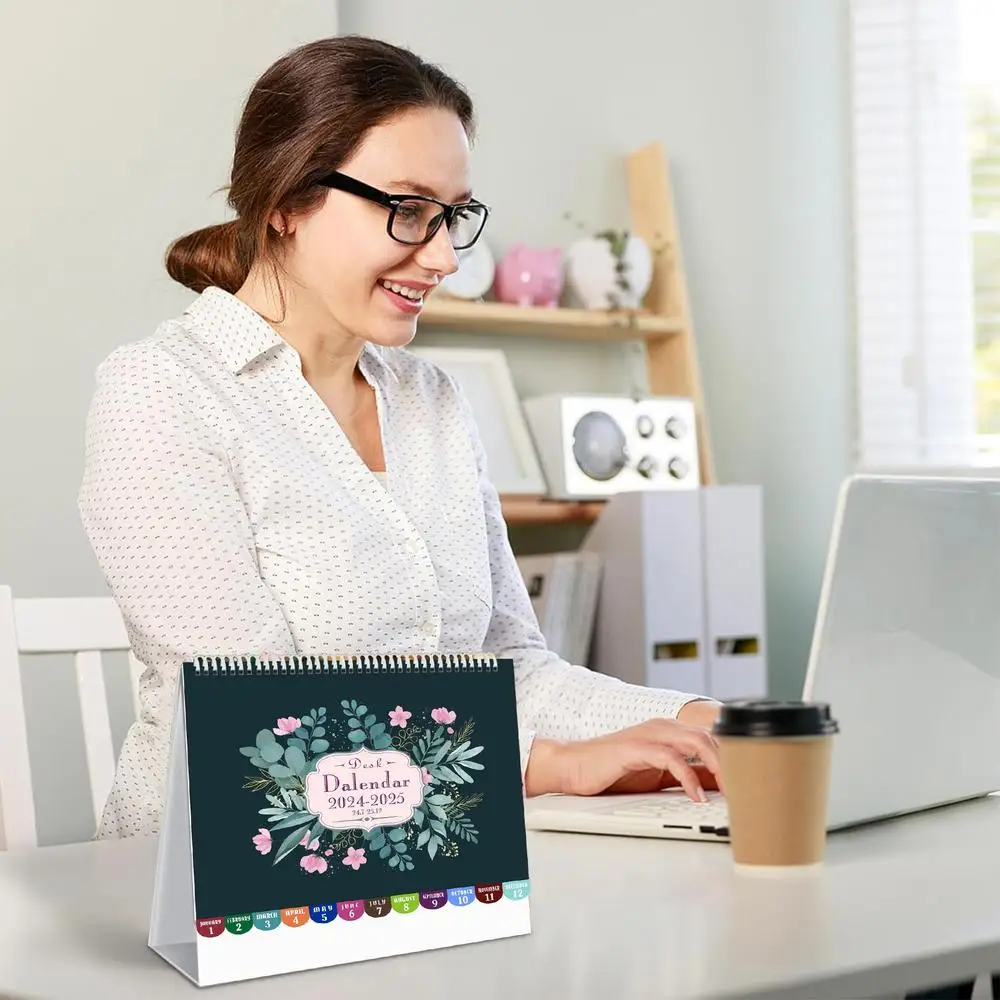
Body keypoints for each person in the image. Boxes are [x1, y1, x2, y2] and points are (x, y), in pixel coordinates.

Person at [77, 35, 722, 841]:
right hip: (213, 879)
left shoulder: (431, 401)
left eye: (454, 217)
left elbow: (513, 672)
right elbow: (252, 721)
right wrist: (542, 766)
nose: (445, 256)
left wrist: (710, 720)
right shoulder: (163, 392)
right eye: (409, 211)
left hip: (426, 864)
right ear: (284, 199)